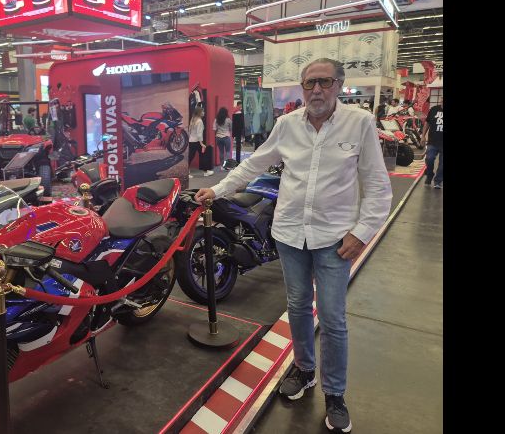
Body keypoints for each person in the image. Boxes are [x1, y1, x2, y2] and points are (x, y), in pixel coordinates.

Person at [194, 58, 392, 433]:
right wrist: (217, 189)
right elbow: (254, 164)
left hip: (335, 239)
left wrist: (362, 232)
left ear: (338, 85)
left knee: (332, 319)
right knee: (298, 307)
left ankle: (335, 393)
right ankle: (304, 370)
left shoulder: (360, 123)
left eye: (324, 82)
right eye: (309, 83)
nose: (316, 90)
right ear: (301, 88)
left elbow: (378, 186)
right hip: (289, 235)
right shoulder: (287, 125)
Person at [421, 98, 443, 188]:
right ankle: (429, 175)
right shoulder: (434, 109)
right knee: (429, 159)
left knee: (442, 165)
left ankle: (438, 181)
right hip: (432, 141)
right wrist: (423, 136)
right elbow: (427, 123)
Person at [188, 107, 212, 177]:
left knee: (192, 156)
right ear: (199, 113)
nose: (204, 113)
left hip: (192, 140)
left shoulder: (193, 119)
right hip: (197, 141)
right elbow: (199, 133)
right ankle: (206, 171)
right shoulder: (199, 121)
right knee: (201, 155)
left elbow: (190, 131)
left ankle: (206, 171)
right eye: (202, 111)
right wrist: (201, 143)